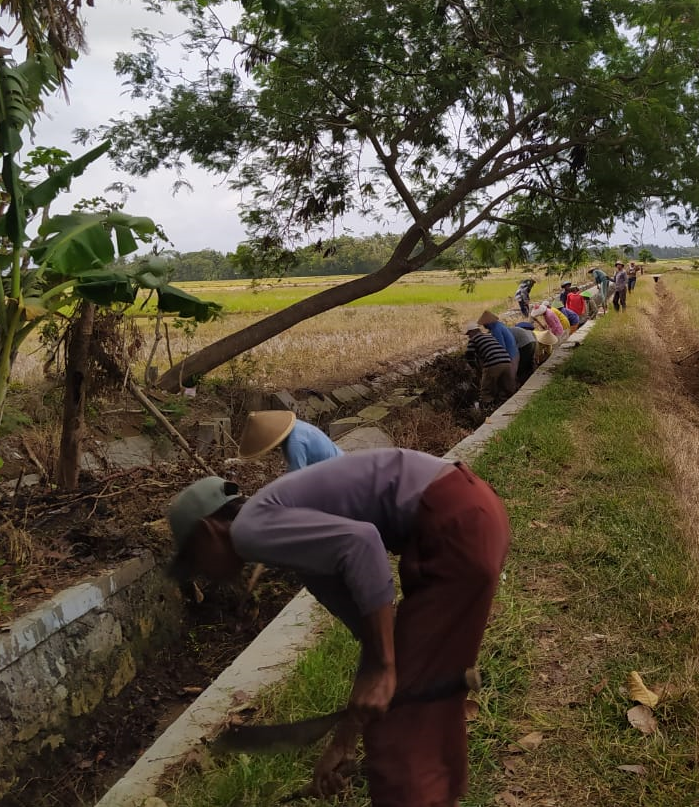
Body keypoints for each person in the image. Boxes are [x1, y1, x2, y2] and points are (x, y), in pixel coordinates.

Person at [166, 450, 510, 807]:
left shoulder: (249, 530)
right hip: (472, 518)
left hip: (455, 523)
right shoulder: (293, 536)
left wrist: (387, 669)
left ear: (208, 531)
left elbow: (362, 543)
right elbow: (378, 636)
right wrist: (343, 742)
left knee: (398, 723)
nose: (202, 572)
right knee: (422, 696)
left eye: (195, 560)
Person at [238, 410, 343, 471]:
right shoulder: (296, 426)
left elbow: (298, 478)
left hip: (336, 473)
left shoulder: (294, 443)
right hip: (338, 462)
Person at [463, 322, 514, 406]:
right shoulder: (489, 336)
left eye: (469, 334)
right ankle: (509, 405)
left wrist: (476, 369)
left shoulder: (474, 339)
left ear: (473, 331)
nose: (469, 336)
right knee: (506, 388)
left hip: (493, 364)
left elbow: (469, 356)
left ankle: (488, 410)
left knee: (486, 391)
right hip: (507, 362)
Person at [478, 310, 519, 393]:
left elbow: (501, 346)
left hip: (510, 356)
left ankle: (511, 397)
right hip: (514, 353)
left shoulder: (496, 330)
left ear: (488, 323)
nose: (484, 327)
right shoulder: (500, 325)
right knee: (510, 379)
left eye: (485, 325)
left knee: (509, 380)